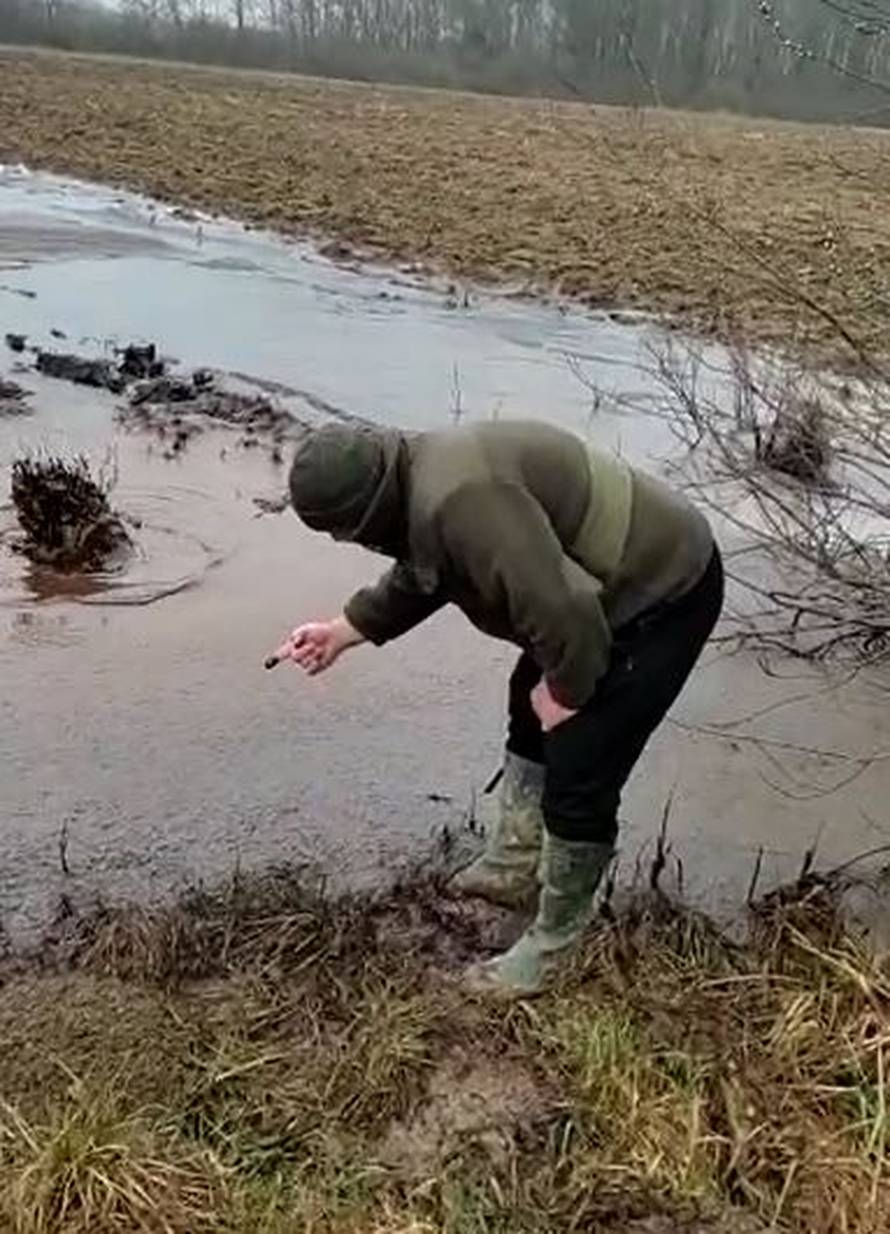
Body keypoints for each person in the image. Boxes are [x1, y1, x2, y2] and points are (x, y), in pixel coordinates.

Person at [275, 419, 722, 996]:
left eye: (346, 533)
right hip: (597, 591)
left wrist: (567, 695)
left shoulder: (464, 499)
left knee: (581, 756)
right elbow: (427, 571)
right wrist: (345, 629)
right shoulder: (419, 478)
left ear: (367, 515)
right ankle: (515, 862)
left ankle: (559, 942)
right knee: (526, 702)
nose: (349, 543)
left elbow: (566, 614)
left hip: (663, 589)